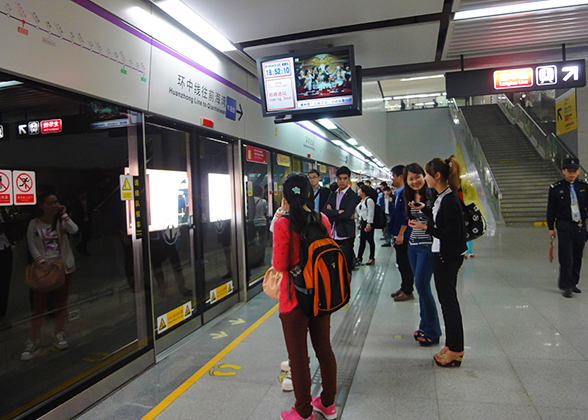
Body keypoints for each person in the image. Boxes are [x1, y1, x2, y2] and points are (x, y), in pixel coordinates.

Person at [272, 172, 337, 420]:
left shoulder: (282, 224)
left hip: (294, 299)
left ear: (285, 197)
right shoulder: (321, 219)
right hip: (322, 295)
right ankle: (328, 404)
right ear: (309, 193)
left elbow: (280, 265)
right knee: (325, 350)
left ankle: (303, 412)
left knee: (298, 359)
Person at [409, 155, 466, 368]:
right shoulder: (442, 196)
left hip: (446, 257)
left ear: (437, 176)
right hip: (440, 254)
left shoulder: (450, 200)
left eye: (426, 174)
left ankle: (456, 350)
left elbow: (451, 233)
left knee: (449, 303)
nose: (425, 178)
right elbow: (439, 219)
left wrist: (425, 228)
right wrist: (423, 208)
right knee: (446, 302)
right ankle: (451, 345)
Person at [22, 192, 79, 360]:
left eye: (56, 202)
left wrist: (64, 214)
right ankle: (32, 339)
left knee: (61, 302)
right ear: (41, 205)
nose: (54, 206)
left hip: (63, 266)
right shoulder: (34, 224)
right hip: (44, 269)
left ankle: (58, 333)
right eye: (49, 203)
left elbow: (74, 229)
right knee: (39, 306)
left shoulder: (61, 221)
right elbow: (31, 244)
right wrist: (41, 262)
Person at [403, 163, 441, 346]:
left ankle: (433, 331)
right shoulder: (409, 196)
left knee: (422, 286)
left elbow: (437, 222)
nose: (415, 181)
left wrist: (423, 226)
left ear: (423, 176)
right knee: (421, 288)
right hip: (413, 246)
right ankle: (424, 326)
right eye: (410, 179)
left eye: (417, 177)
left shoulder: (432, 195)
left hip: (427, 246)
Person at [546, 157, 588, 298]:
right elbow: (551, 209)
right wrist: (551, 227)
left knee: (578, 255)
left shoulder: (584, 187)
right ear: (563, 171)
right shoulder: (556, 189)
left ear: (578, 172)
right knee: (566, 256)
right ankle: (566, 285)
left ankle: (573, 282)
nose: (572, 174)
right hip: (564, 225)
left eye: (574, 171)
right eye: (569, 171)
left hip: (580, 226)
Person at [323, 166, 358, 277]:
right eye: (339, 178)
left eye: (344, 178)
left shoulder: (353, 196)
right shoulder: (333, 193)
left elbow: (347, 215)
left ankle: (346, 289)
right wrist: (338, 212)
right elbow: (324, 211)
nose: (342, 181)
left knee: (346, 265)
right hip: (332, 234)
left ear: (348, 179)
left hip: (345, 235)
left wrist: (332, 212)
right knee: (333, 265)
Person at [388, 165, 414, 302]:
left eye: (393, 176)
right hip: (399, 233)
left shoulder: (405, 193)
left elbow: (406, 215)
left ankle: (408, 290)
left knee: (405, 263)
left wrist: (401, 234)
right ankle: (404, 287)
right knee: (401, 262)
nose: (392, 179)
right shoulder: (399, 192)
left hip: (403, 235)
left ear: (400, 177)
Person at [0, 208, 15, 330]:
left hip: (5, 249)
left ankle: (2, 315)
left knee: (4, 283)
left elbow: (8, 227)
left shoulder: (2, 210)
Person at [356, 185, 376, 266]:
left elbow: (371, 212)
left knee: (370, 240)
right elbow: (361, 213)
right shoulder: (362, 201)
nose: (358, 191)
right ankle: (359, 258)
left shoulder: (369, 200)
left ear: (364, 192)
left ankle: (372, 258)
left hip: (368, 223)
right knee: (362, 241)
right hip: (363, 222)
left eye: (359, 190)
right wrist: (359, 223)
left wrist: (369, 224)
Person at [70, 189, 93, 256]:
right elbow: (74, 212)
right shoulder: (76, 203)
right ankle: (83, 249)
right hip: (81, 221)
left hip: (87, 220)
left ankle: (80, 247)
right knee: (83, 235)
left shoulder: (88, 202)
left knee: (88, 235)